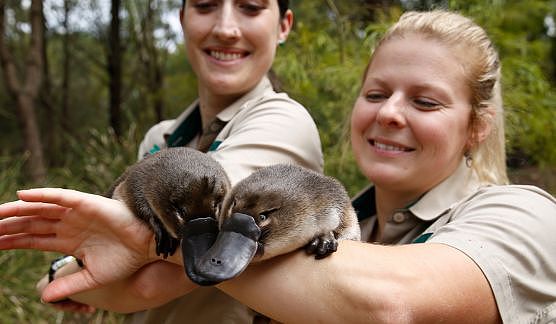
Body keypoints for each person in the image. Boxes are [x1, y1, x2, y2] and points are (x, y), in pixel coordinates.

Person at [1, 9, 555, 323]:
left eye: (425, 102)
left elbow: (392, 304)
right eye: (376, 93)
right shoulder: (344, 227)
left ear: (476, 127)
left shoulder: (526, 217)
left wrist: (144, 242)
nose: (389, 114)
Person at [32, 0, 323, 322]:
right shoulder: (162, 137)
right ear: (182, 18)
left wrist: (63, 273)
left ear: (283, 25)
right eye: (205, 5)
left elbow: (149, 285)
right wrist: (71, 268)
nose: (225, 29)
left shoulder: (284, 123)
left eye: (250, 7)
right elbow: (113, 261)